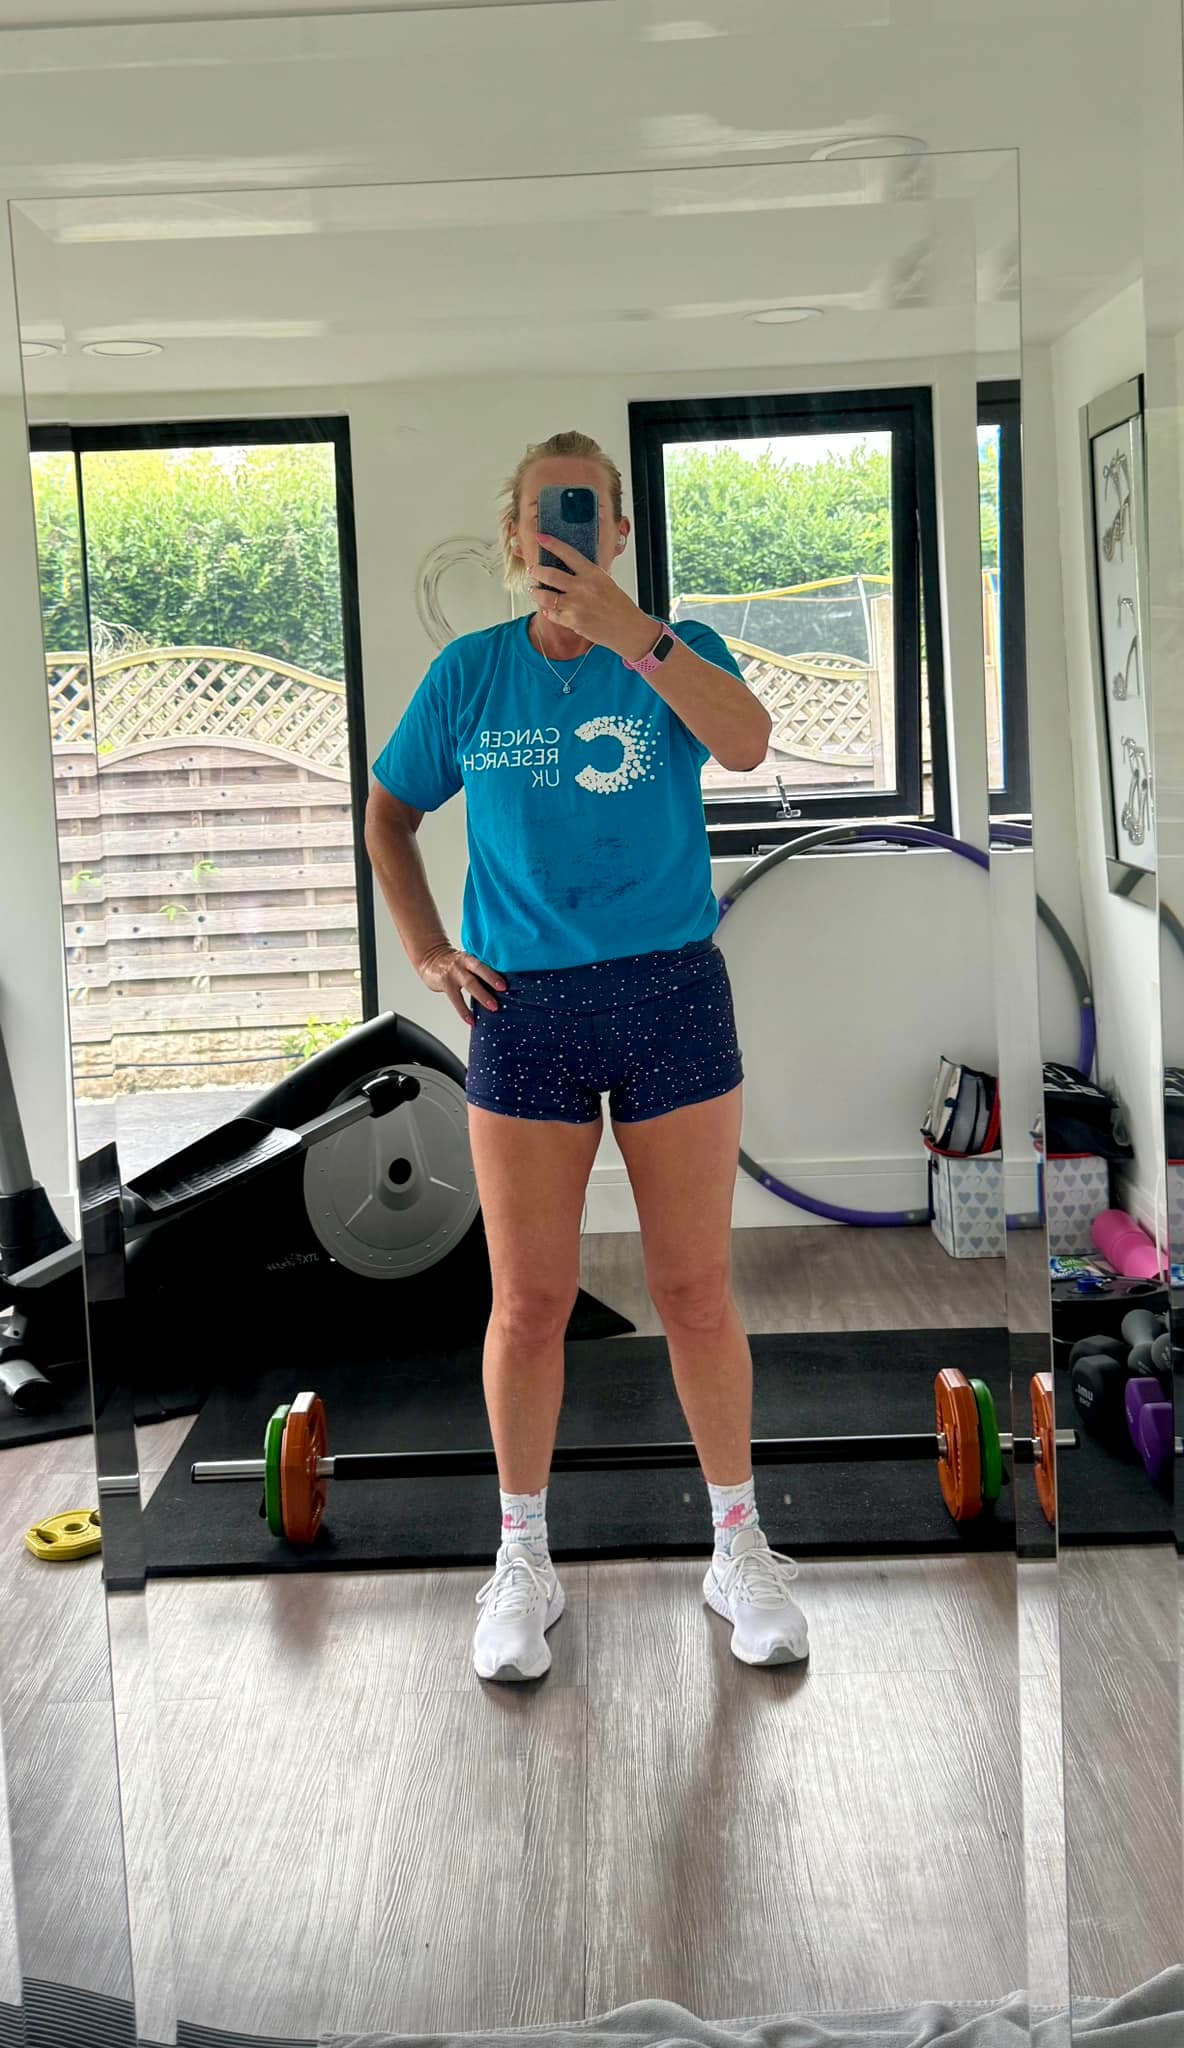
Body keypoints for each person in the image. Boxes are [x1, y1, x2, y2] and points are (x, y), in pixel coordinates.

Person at [366, 430, 809, 1681]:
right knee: (529, 1300)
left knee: (691, 1289)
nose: (560, 530)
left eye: (587, 510)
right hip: (525, 1011)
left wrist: (635, 634)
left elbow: (745, 743)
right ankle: (520, 1559)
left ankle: (737, 1543)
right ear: (513, 536)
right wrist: (428, 947)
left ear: (615, 533)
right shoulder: (469, 675)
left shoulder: (674, 655)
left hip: (670, 990)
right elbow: (388, 811)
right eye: (538, 512)